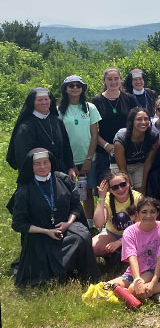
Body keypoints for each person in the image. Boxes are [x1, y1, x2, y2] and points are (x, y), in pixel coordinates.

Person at [10, 148, 100, 287]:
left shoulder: (62, 179)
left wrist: (68, 223)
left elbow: (76, 206)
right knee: (42, 249)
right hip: (39, 234)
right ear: (31, 166)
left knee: (82, 236)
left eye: (46, 162)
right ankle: (57, 274)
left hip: (64, 227)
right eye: (37, 164)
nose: (42, 167)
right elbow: (18, 224)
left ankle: (79, 273)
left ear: (51, 163)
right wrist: (46, 231)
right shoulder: (25, 189)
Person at [107, 197, 160, 303]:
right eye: (144, 212)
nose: (148, 216)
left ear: (157, 213)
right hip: (134, 272)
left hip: (155, 271)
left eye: (152, 212)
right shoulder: (129, 231)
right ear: (137, 214)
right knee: (106, 287)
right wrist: (137, 280)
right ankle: (153, 293)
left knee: (132, 289)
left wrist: (153, 282)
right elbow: (132, 257)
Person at [58, 75, 101, 220]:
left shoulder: (90, 108)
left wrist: (88, 159)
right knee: (67, 193)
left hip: (88, 158)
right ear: (65, 89)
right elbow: (59, 138)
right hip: (67, 160)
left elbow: (94, 135)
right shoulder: (59, 110)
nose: (75, 88)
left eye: (78, 85)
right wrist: (70, 164)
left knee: (87, 192)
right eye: (71, 86)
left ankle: (89, 224)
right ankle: (70, 222)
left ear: (83, 89)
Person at [8, 88, 74, 177]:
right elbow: (23, 157)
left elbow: (66, 146)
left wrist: (70, 167)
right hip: (36, 176)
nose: (44, 102)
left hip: (60, 173)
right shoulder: (26, 127)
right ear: (32, 102)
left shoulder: (57, 121)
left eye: (46, 99)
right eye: (40, 100)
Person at [91, 67, 139, 186]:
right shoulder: (96, 101)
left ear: (121, 80)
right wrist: (107, 146)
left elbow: (135, 124)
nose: (113, 82)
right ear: (104, 81)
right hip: (104, 151)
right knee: (106, 189)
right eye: (110, 79)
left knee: (127, 187)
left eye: (116, 78)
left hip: (127, 149)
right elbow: (92, 129)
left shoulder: (129, 99)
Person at [92, 171, 141, 256]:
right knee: (93, 247)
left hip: (135, 236)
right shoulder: (106, 199)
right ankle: (116, 254)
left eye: (123, 184)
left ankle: (119, 253)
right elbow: (99, 224)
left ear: (128, 183)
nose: (120, 189)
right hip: (113, 234)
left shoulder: (138, 198)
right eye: (115, 187)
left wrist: (119, 242)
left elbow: (139, 229)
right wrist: (101, 199)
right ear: (109, 190)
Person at [113, 107, 159, 192]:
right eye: (139, 119)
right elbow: (122, 168)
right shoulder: (121, 139)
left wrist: (144, 186)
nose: (143, 122)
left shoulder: (153, 137)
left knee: (141, 194)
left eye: (146, 119)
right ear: (132, 121)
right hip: (120, 166)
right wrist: (129, 187)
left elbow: (148, 163)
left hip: (139, 164)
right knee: (125, 191)